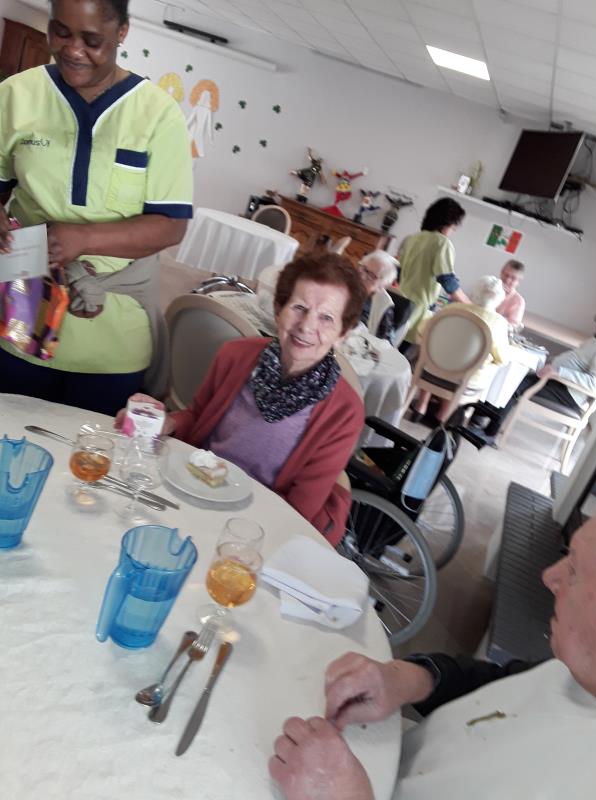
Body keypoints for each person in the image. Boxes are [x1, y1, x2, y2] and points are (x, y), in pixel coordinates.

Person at [270, 514, 596, 800]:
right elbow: (493, 685)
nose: (549, 576)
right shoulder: (575, 672)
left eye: (574, 570)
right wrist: (407, 679)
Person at [0, 0, 193, 415]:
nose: (73, 50)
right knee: (8, 434)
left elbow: (171, 225)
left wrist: (84, 237)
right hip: (24, 308)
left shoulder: (158, 115)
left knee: (95, 448)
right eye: (61, 32)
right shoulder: (15, 95)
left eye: (92, 40)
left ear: (122, 32)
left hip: (113, 333)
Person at [116, 253, 367, 544]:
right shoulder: (236, 354)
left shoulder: (345, 411)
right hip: (194, 487)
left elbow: (300, 509)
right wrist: (166, 422)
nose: (307, 326)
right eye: (299, 308)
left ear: (342, 333)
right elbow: (197, 416)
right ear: (278, 309)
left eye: (326, 317)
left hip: (258, 526)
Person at [410, 275, 510, 424]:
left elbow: (422, 329)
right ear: (499, 299)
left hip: (430, 371)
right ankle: (443, 416)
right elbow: (501, 359)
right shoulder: (498, 323)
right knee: (466, 367)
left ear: (475, 293)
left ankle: (421, 406)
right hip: (465, 382)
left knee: (438, 355)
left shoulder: (453, 308)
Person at [475, 331, 596, 443]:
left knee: (514, 385)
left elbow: (595, 385)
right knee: (512, 376)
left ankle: (490, 433)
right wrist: (551, 364)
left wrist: (559, 371)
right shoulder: (595, 340)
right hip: (556, 382)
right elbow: (575, 361)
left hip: (568, 394)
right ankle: (478, 417)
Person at [397, 197, 471, 350]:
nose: (452, 232)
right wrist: (470, 306)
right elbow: (448, 281)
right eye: (453, 228)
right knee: (398, 354)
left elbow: (399, 270)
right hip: (417, 309)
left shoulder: (412, 238)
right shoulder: (442, 243)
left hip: (399, 300)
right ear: (448, 223)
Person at [356, 250, 399, 344]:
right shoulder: (344, 283)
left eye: (371, 275)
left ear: (382, 286)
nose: (363, 276)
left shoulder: (383, 305)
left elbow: (386, 344)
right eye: (363, 268)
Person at [496, 259, 525, 328]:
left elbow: (513, 325)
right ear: (501, 272)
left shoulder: (518, 301)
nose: (507, 280)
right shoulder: (486, 287)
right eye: (506, 275)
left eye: (513, 278)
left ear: (518, 281)